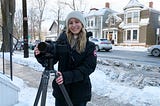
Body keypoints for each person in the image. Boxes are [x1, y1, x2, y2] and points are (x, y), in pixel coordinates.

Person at [34, 11, 97, 106]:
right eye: (70, 23)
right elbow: (51, 60)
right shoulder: (62, 41)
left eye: (77, 22)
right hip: (61, 90)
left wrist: (66, 76)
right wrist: (40, 54)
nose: (74, 25)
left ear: (82, 24)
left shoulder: (90, 46)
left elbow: (88, 68)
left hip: (79, 92)